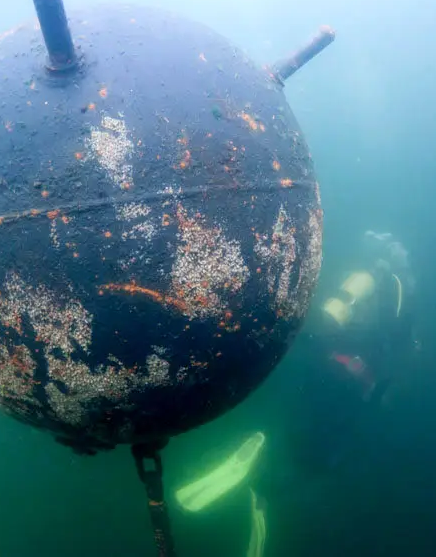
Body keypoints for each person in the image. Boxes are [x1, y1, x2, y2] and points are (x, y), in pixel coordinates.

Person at [173, 230, 420, 557]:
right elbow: (398, 348)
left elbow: (323, 322)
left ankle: (260, 446)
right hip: (346, 384)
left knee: (298, 428)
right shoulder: (396, 291)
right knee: (321, 458)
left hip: (317, 367)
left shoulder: (358, 280)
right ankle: (264, 492)